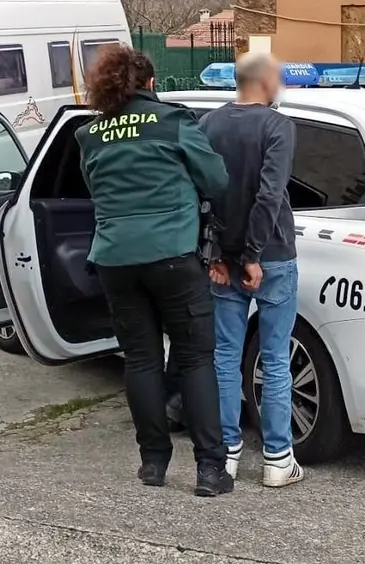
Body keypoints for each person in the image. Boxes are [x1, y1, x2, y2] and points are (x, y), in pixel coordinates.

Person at [76, 45, 232, 496]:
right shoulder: (172, 121)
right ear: (148, 84)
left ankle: (153, 464)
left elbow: (95, 189)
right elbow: (216, 180)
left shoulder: (90, 134)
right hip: (173, 255)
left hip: (115, 259)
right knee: (195, 357)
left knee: (141, 359)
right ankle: (209, 470)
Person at [200, 51, 304, 488]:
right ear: (263, 81)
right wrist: (253, 256)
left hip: (225, 260)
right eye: (277, 76)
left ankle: (226, 456)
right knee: (276, 357)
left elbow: (203, 194)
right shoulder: (278, 126)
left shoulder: (207, 125)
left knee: (225, 357)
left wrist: (220, 256)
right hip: (271, 256)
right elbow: (269, 195)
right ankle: (278, 459)